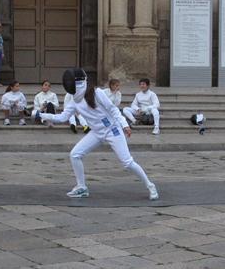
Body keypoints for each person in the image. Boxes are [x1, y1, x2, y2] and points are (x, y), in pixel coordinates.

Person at [39, 68, 159, 201]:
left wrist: (124, 124)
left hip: (112, 130)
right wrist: (41, 115)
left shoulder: (97, 93)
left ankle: (150, 185)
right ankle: (81, 187)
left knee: (127, 162)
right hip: (96, 132)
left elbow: (113, 109)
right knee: (75, 154)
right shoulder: (74, 101)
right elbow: (62, 118)